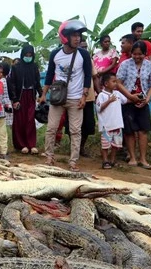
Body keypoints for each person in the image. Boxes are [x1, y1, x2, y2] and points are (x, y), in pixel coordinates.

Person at [38, 20, 92, 172]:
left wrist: (84, 96)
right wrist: (43, 94)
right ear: (65, 37)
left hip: (76, 99)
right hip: (57, 98)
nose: (78, 38)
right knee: (51, 128)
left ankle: (73, 162)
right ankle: (49, 157)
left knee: (75, 131)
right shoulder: (55, 54)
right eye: (74, 35)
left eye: (79, 35)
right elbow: (49, 76)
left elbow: (88, 76)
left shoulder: (84, 55)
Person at [116, 41, 151, 169]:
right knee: (129, 131)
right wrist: (130, 96)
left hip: (143, 101)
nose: (137, 56)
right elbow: (118, 83)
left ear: (145, 54)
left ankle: (143, 159)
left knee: (143, 130)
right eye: (134, 54)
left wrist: (147, 99)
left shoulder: (150, 65)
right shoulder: (125, 64)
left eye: (140, 54)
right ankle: (132, 157)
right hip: (128, 101)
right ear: (131, 53)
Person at [9, 44, 42, 154]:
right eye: (26, 54)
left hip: (31, 95)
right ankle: (21, 145)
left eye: (30, 55)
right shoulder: (16, 67)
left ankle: (31, 144)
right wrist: (14, 99)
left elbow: (37, 82)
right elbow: (12, 84)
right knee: (19, 120)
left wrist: (42, 95)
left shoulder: (34, 67)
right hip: (20, 96)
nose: (28, 56)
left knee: (30, 119)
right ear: (22, 54)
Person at [96, 73, 127, 169]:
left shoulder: (117, 93)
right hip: (107, 125)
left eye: (116, 81)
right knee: (105, 145)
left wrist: (136, 99)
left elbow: (125, 100)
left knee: (116, 145)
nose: (116, 84)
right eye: (113, 81)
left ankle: (113, 160)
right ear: (106, 83)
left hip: (117, 124)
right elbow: (99, 108)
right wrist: (109, 100)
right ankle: (105, 160)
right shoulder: (101, 95)